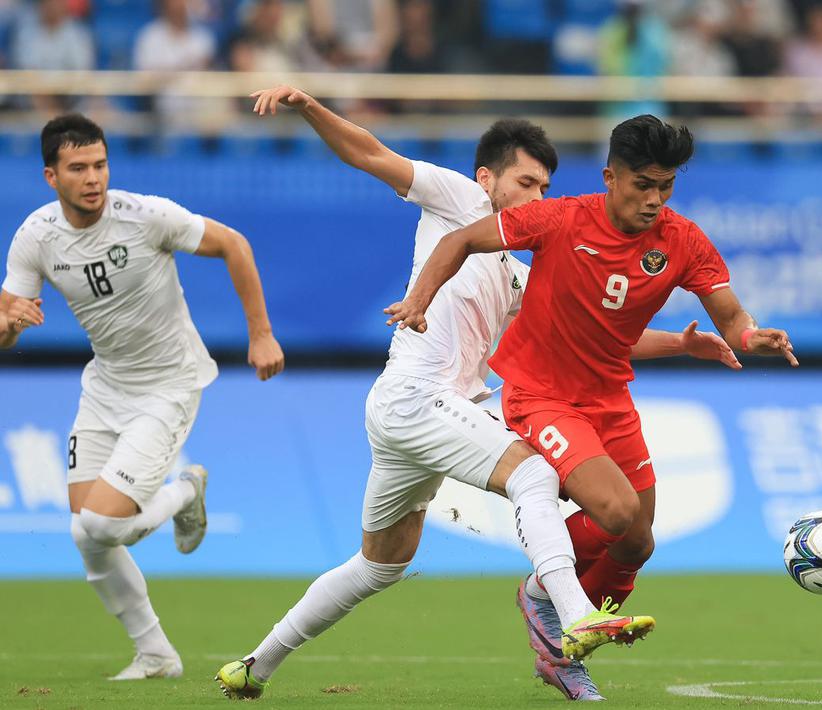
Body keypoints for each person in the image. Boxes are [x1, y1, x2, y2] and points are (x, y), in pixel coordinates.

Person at [217, 88, 740, 702]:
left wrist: (682, 343)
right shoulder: (459, 200)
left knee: (377, 566)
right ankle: (572, 617)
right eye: (526, 183)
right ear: (488, 178)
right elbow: (367, 153)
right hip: (414, 399)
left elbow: (594, 339)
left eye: (546, 187)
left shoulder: (518, 269)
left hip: (440, 414)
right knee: (536, 476)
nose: (537, 198)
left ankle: (254, 666)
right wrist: (308, 107)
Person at [385, 113, 797, 696]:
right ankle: (547, 604)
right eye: (643, 185)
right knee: (617, 512)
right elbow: (458, 240)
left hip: (609, 397)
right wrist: (418, 300)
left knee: (638, 540)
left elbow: (732, 320)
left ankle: (558, 638)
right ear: (611, 177)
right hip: (540, 394)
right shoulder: (559, 218)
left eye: (667, 186)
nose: (655, 199)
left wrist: (752, 337)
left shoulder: (682, 240)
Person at [0, 114, 285, 680]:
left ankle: (185, 491)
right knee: (88, 535)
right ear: (50, 176)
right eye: (78, 168)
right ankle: (156, 654)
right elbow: (4, 332)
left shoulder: (145, 215)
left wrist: (260, 333)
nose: (93, 178)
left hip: (169, 386)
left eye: (100, 164)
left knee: (101, 527)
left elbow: (234, 243)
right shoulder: (36, 235)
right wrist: (10, 325)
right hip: (105, 387)